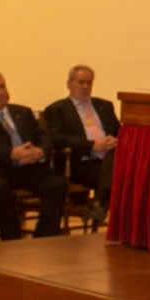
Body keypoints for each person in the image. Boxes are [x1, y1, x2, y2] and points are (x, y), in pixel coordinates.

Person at [0, 71, 66, 240]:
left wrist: (40, 151)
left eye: (2, 86)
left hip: (30, 166)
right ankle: (11, 238)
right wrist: (10, 153)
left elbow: (43, 137)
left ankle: (45, 236)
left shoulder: (23, 112)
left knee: (57, 184)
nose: (1, 91)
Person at [41, 64, 118, 223]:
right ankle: (101, 202)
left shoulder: (105, 106)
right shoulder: (57, 109)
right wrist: (92, 146)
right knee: (117, 173)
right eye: (80, 82)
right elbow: (57, 138)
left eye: (89, 83)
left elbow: (118, 131)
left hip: (109, 156)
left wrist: (115, 140)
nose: (85, 87)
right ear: (69, 84)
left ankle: (99, 203)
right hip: (81, 162)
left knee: (118, 163)